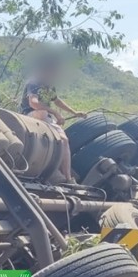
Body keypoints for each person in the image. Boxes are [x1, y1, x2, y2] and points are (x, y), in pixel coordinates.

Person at [20, 50, 84, 182]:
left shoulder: (48, 86)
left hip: (45, 118)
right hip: (29, 115)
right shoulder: (34, 82)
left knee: (64, 140)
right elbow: (33, 103)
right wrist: (54, 113)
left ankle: (67, 177)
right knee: (43, 113)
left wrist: (74, 112)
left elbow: (57, 101)